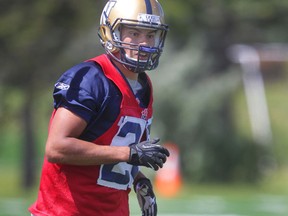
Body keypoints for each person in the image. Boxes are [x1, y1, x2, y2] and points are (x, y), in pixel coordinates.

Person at [28, 0, 170, 215]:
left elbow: (115, 149)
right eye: (134, 32)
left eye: (150, 35)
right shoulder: (90, 79)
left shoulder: (143, 84)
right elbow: (56, 147)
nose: (144, 43)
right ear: (110, 32)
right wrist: (129, 154)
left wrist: (138, 180)